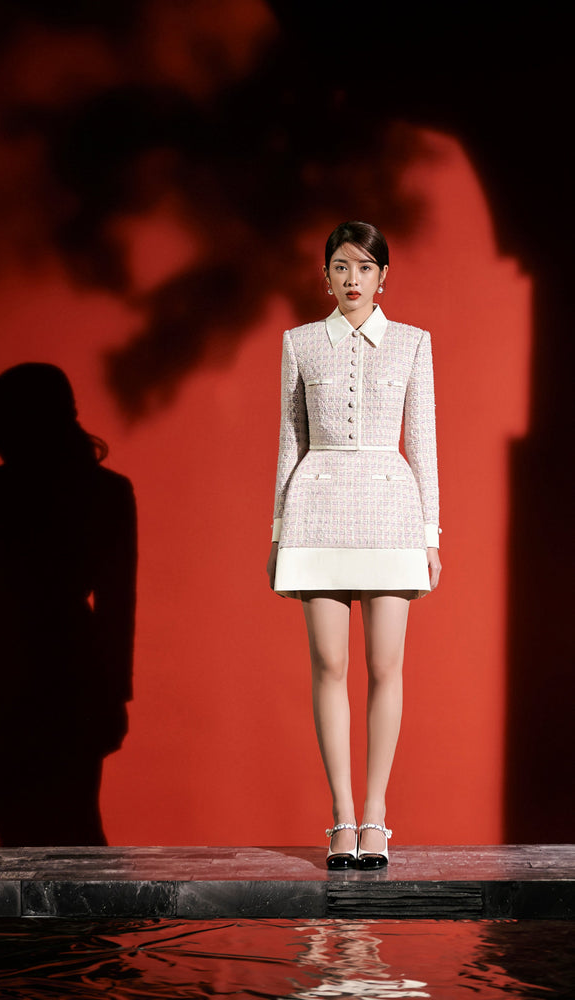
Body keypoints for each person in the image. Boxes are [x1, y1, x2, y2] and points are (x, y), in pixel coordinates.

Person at [267, 222, 441, 869]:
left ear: (382, 277)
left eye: (365, 267)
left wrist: (430, 536)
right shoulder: (299, 343)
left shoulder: (413, 343)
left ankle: (375, 816)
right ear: (325, 275)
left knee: (386, 667)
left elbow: (422, 444)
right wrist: (278, 533)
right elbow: (289, 443)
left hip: (391, 512)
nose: (352, 279)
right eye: (341, 266)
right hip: (315, 512)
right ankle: (341, 816)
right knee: (329, 665)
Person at [0, 363, 137, 846]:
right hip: (69, 673)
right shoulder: (106, 491)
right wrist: (114, 692)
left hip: (1, 673)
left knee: (24, 838)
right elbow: (116, 604)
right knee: (76, 834)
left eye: (0, 421)